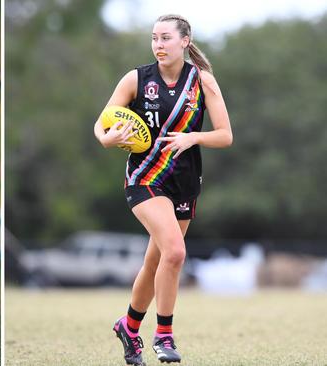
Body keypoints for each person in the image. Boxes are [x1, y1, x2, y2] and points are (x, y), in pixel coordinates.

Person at [93, 14, 233, 365]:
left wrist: (194, 137)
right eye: (154, 38)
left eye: (166, 38)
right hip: (143, 179)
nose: (158, 45)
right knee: (175, 253)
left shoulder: (202, 81)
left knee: (156, 260)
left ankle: (128, 326)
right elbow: (103, 122)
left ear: (185, 41)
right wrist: (107, 139)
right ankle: (164, 335)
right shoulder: (137, 79)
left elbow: (225, 135)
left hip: (184, 182)